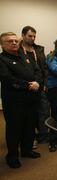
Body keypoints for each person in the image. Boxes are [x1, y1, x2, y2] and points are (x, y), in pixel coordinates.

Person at [0, 32, 42, 168]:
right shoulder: (2, 59)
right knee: (14, 128)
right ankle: (12, 155)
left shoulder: (23, 56)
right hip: (14, 101)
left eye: (14, 40)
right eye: (9, 41)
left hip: (31, 98)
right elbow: (7, 79)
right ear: (2, 45)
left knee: (29, 126)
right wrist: (29, 85)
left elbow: (36, 69)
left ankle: (26, 150)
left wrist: (37, 81)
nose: (13, 43)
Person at [20, 25, 49, 145]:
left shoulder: (38, 49)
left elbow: (44, 68)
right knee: (28, 115)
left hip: (40, 86)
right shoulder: (17, 49)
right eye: (30, 36)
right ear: (23, 35)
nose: (32, 38)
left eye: (34, 36)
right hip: (25, 87)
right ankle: (29, 138)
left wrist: (45, 83)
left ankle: (42, 135)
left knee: (44, 111)